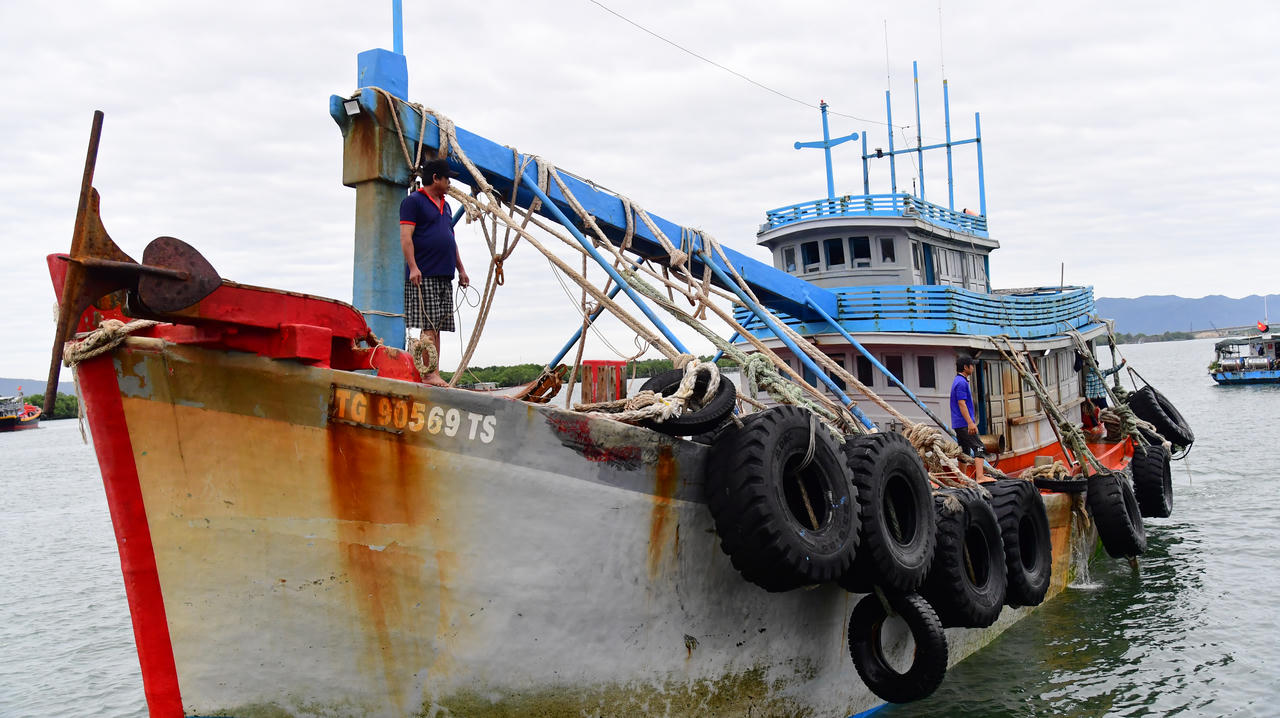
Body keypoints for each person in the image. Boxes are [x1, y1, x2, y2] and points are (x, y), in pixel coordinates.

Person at [400, 158, 470, 386]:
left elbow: (451, 239)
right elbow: (406, 237)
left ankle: (434, 371)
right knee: (428, 324)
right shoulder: (414, 202)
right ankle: (428, 374)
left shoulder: (446, 205)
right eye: (447, 178)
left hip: (444, 273)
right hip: (425, 271)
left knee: (437, 326)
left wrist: (461, 269)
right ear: (436, 178)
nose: (450, 183)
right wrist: (413, 267)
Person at [950, 355, 985, 481]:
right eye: (972, 365)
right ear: (966, 367)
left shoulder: (958, 381)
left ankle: (962, 478)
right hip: (964, 423)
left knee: (964, 450)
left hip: (958, 423)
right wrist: (970, 422)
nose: (973, 368)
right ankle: (980, 476)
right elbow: (961, 403)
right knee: (979, 447)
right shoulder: (961, 383)